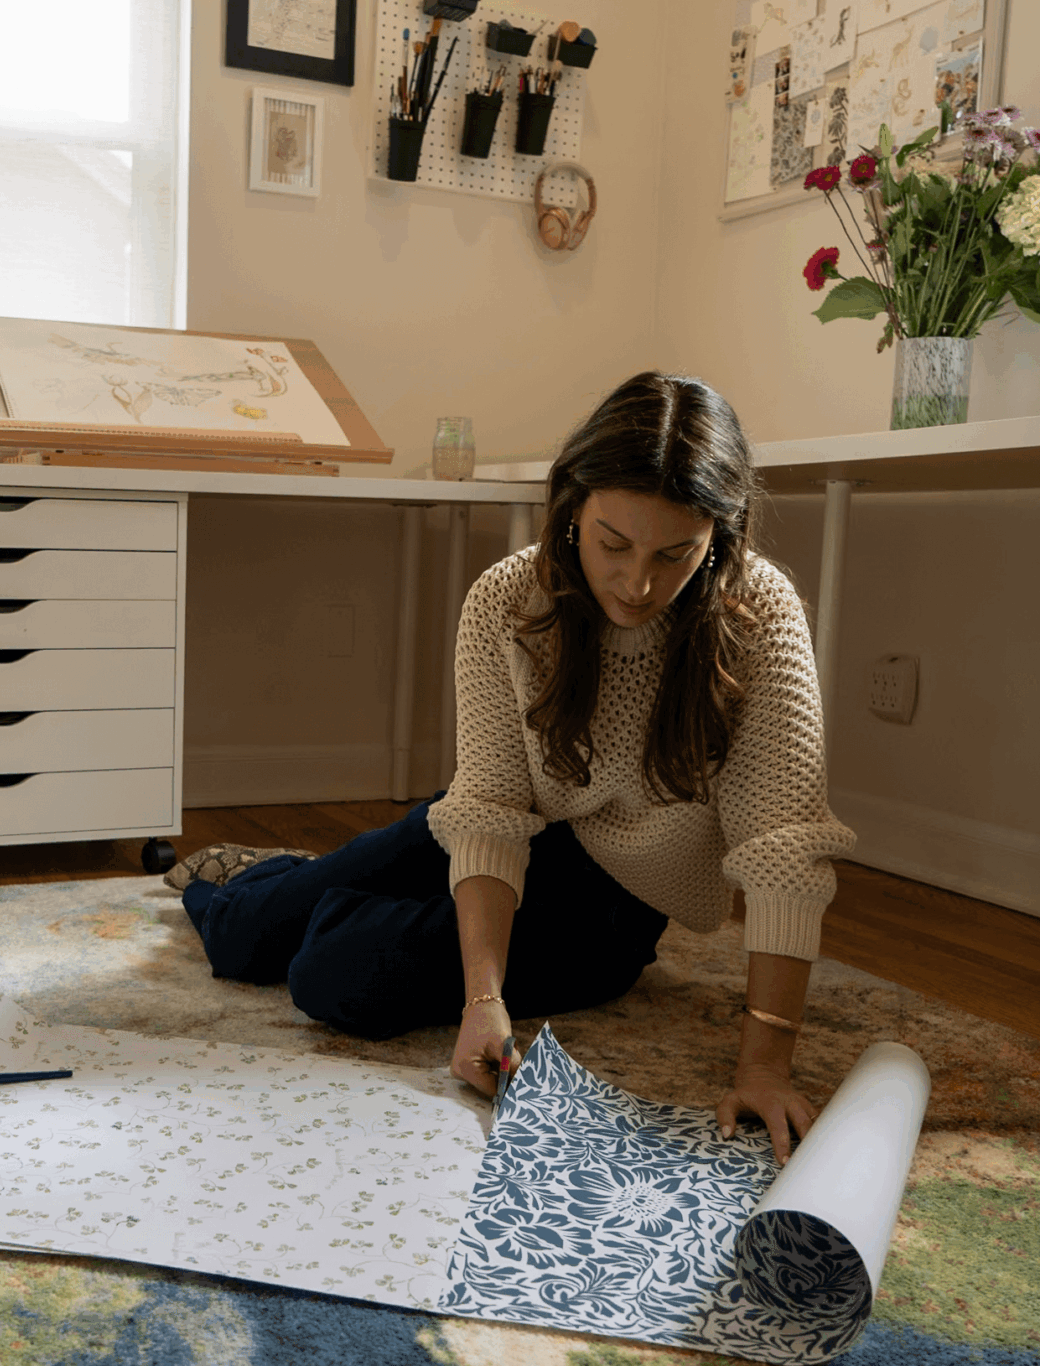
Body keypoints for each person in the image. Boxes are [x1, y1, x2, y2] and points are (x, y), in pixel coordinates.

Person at [171, 372, 855, 1162]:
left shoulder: (760, 614)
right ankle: (282, 881)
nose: (639, 583)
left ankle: (332, 897)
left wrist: (764, 1068)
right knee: (238, 938)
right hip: (511, 825)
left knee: (331, 975)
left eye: (676, 554)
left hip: (615, 902)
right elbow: (491, 810)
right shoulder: (507, 597)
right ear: (574, 507)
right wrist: (482, 996)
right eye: (613, 543)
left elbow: (783, 850)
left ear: (719, 536)